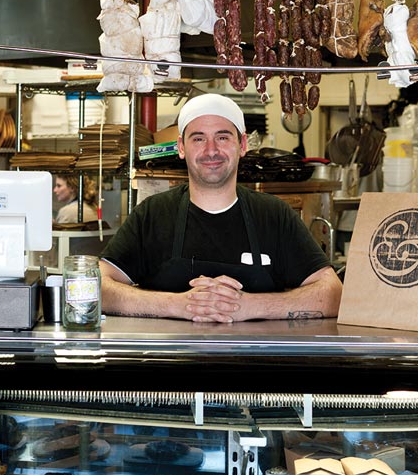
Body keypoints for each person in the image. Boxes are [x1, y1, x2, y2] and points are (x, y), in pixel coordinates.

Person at [100, 93, 342, 323]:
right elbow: (97, 285)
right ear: (181, 147)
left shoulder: (274, 216)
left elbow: (333, 293)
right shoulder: (152, 214)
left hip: (256, 353)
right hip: (172, 353)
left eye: (223, 137)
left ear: (243, 144)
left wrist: (249, 306)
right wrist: (179, 305)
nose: (211, 150)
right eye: (198, 139)